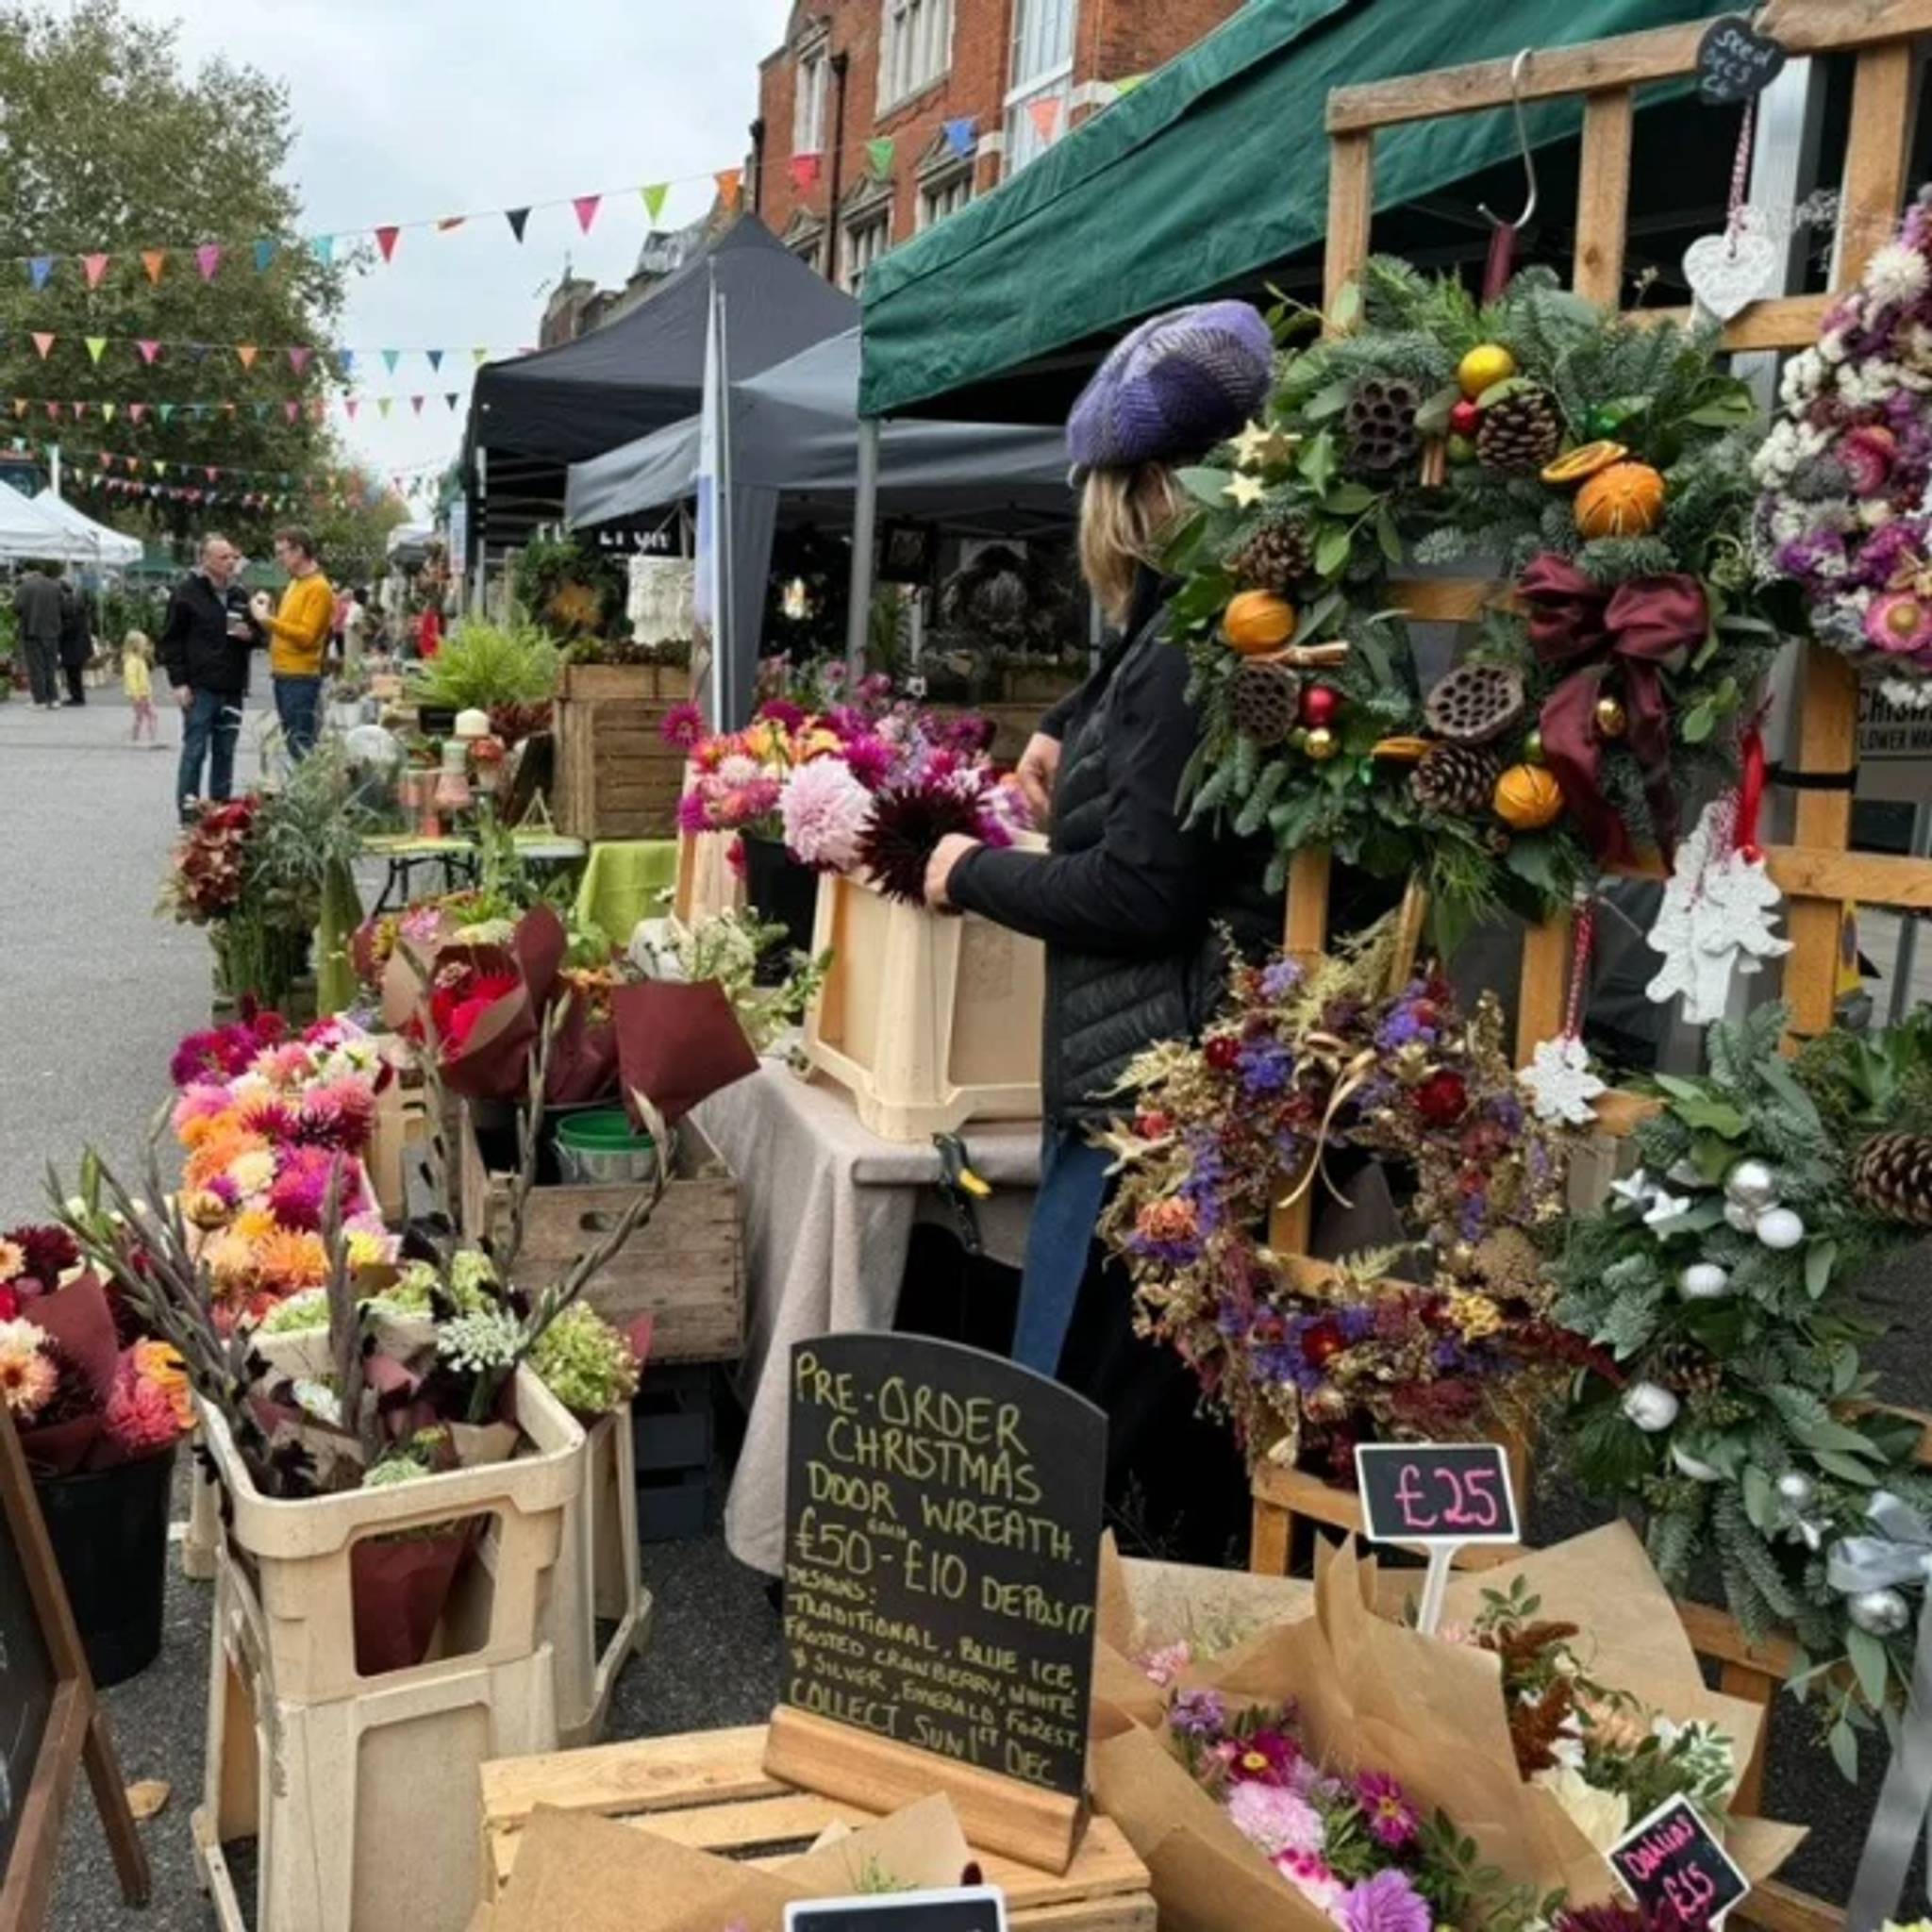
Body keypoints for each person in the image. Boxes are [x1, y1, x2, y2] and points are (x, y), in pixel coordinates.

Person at [921, 302, 1281, 1557]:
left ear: (1137, 497)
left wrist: (964, 871)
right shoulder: (1207, 612)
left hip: (1154, 1103)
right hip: (1138, 1082)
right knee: (1109, 1411)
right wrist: (1068, 719)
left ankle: (1067, 1678)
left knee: (1079, 1428)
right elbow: (1137, 662)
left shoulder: (1200, 646)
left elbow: (1142, 893)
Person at [161, 533, 259, 820]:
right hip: (200, 689)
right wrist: (179, 682)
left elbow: (259, 635)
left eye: (233, 557)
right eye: (223, 557)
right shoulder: (186, 593)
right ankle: (188, 816)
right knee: (194, 753)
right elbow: (170, 640)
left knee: (225, 752)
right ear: (206, 561)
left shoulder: (239, 595)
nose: (231, 562)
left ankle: (220, 814)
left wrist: (250, 635)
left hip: (231, 687)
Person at [251, 526, 334, 758]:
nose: (279, 559)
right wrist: (268, 611)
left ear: (299, 551)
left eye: (282, 552)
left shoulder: (319, 588)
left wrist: (269, 621)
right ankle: (300, 790)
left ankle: (306, 792)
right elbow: (289, 625)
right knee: (293, 742)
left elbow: (307, 637)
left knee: (300, 744)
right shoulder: (296, 583)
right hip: (285, 674)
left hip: (300, 676)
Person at [12, 560, 63, 709]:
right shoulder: (55, 585)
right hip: (52, 631)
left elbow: (17, 608)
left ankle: (40, 700)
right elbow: (63, 607)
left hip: (31, 632)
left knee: (36, 667)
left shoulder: (25, 586)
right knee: (50, 666)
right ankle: (54, 699)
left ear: (29, 572)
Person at [57, 572, 92, 706]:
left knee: (73, 673)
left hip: (74, 645)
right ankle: (76, 696)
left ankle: (77, 698)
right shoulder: (76, 601)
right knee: (74, 672)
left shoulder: (72, 604)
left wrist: (60, 631)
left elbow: (70, 625)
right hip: (78, 644)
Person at [123, 630, 159, 745]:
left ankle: (136, 736)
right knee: (152, 715)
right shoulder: (133, 661)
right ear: (136, 646)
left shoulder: (138, 659)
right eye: (144, 644)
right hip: (140, 694)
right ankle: (150, 737)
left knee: (141, 716)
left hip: (143, 693)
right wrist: (135, 694)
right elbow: (131, 679)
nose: (146, 647)